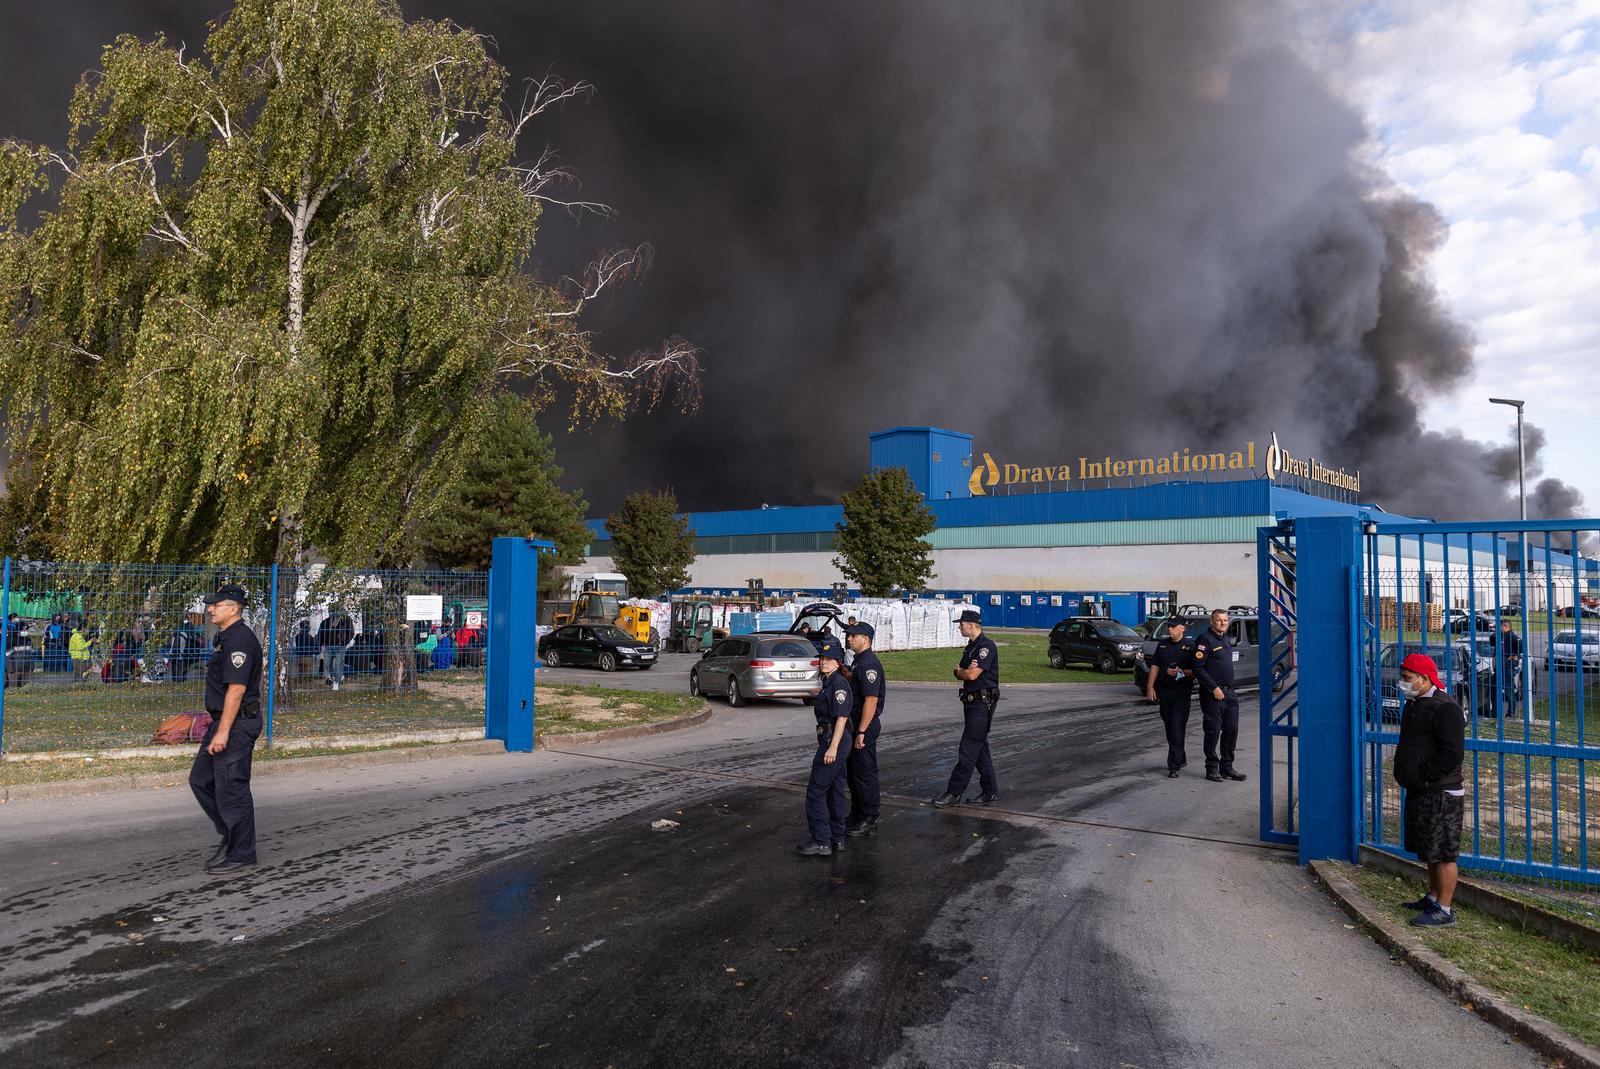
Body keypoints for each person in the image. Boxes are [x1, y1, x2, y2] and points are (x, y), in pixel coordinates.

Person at [189, 583, 264, 875]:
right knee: (201, 779)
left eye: (215, 605)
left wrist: (223, 731)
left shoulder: (240, 641)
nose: (209, 609)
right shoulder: (226, 637)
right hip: (224, 721)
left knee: (233, 789)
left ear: (233, 609)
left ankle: (242, 853)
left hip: (236, 723)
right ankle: (231, 832)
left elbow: (236, 690)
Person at [1393, 653, 1466, 927]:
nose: (1403, 683)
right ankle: (1433, 898)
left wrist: (1425, 776)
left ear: (1424, 679)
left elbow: (1452, 752)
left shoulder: (1445, 707)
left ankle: (1444, 909)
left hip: (1441, 793)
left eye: (1407, 678)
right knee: (1430, 848)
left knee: (1444, 851)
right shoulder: (1416, 702)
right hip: (1423, 790)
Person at [932, 609, 1000, 808]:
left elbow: (970, 675)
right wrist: (962, 671)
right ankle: (990, 791)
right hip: (971, 702)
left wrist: (962, 672)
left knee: (968, 748)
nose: (959, 627)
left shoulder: (986, 647)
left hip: (982, 703)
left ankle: (953, 792)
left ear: (971, 625)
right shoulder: (971, 648)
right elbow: (960, 670)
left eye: (961, 624)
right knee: (979, 748)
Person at [797, 637, 855, 857]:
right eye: (823, 657)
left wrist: (832, 747)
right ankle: (836, 838)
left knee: (816, 790)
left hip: (834, 740)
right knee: (835, 789)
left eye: (830, 658)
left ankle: (821, 840)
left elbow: (841, 718)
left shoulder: (838, 683)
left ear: (840, 661)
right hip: (834, 739)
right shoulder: (830, 681)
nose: (825, 662)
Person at [1192, 608, 1246, 783]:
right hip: (1213, 694)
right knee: (1213, 731)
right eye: (1219, 620)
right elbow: (1198, 667)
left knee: (1231, 729)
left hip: (1229, 692)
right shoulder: (1204, 640)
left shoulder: (1225, 639)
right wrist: (1213, 688)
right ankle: (1212, 768)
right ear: (1212, 621)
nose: (1223, 623)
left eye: (1225, 620)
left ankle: (1227, 767)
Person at [844, 621, 885, 836]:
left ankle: (870, 815)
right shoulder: (858, 662)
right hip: (855, 724)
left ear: (865, 639)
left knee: (864, 772)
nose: (849, 638)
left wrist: (861, 731)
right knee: (853, 772)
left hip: (864, 725)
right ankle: (858, 812)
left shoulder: (869, 664)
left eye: (853, 635)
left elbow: (870, 700)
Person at [1145, 618, 1196, 777]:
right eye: (1169, 627)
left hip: (1181, 692)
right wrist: (1150, 686)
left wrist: (1182, 672)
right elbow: (1155, 666)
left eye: (1173, 627)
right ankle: (1180, 757)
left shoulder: (1190, 647)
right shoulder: (1162, 644)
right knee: (1170, 727)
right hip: (1164, 691)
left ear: (1182, 628)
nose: (1170, 629)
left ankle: (1174, 766)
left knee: (1176, 725)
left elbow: (1197, 670)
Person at [1493, 617, 1522, 715]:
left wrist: (1515, 654)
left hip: (1507, 668)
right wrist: (1494, 633)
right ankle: (1495, 711)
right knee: (1494, 689)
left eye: (1498, 627)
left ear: (1504, 626)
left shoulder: (1512, 636)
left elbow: (1522, 645)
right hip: (1498, 667)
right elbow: (1491, 641)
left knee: (1509, 691)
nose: (1496, 628)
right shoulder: (1499, 636)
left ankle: (1511, 712)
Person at [4, 612, 32, 690]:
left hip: (25, 669)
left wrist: (30, 668)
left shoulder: (28, 640)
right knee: (13, 689)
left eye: (26, 629)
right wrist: (11, 670)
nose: (25, 631)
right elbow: (7, 656)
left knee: (24, 689)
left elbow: (31, 656)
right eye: (23, 629)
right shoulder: (11, 640)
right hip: (14, 670)